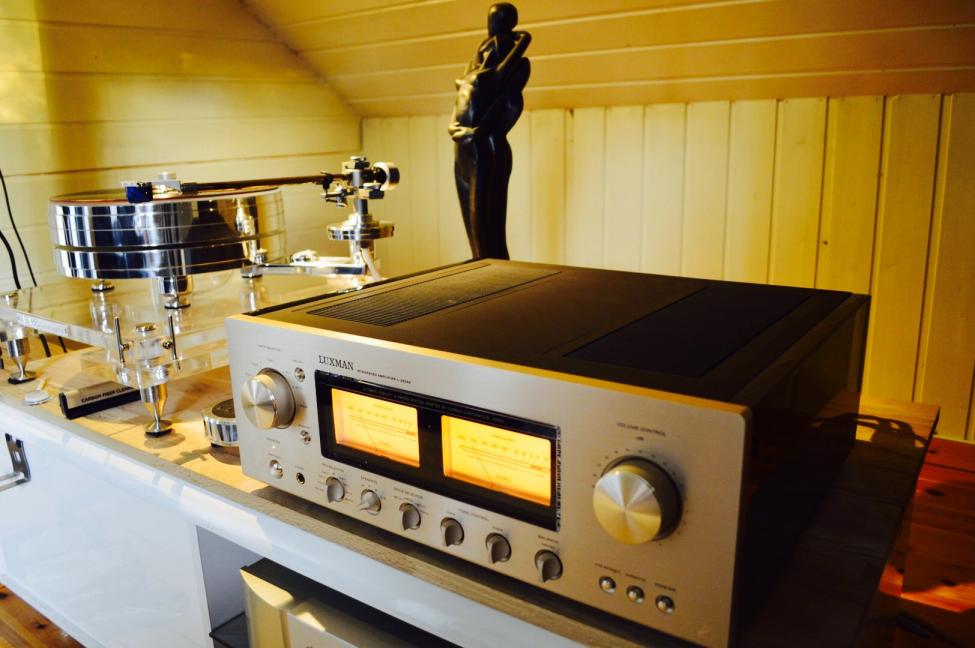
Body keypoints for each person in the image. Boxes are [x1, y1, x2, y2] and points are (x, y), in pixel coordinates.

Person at [448, 3, 531, 259]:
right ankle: (478, 265)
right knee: (471, 224)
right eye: (491, 19)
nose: (491, 25)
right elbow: (458, 104)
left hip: (484, 149)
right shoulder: (475, 66)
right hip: (462, 149)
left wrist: (524, 39)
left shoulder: (498, 73)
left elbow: (507, 93)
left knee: (485, 224)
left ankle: (491, 269)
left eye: (497, 20)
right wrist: (454, 127)